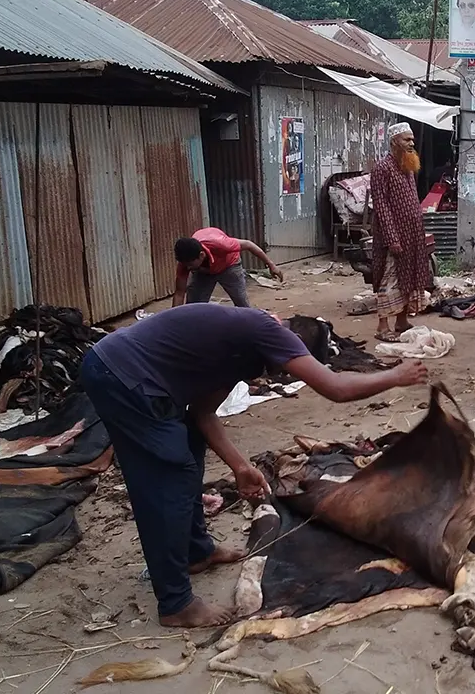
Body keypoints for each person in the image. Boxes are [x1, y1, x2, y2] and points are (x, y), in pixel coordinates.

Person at [79, 304, 428, 628]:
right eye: (285, 367)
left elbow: (202, 414)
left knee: (189, 444)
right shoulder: (266, 331)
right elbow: (335, 388)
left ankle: (196, 552)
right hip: (121, 377)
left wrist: (240, 467)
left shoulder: (244, 347)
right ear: (288, 346)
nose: (276, 374)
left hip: (135, 375)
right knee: (168, 476)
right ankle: (175, 603)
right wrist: (396, 376)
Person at [369, 123, 430, 343]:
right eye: (407, 140)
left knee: (409, 277)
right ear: (395, 142)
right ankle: (382, 326)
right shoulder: (382, 168)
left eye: (412, 139)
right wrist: (392, 238)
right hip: (393, 235)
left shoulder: (408, 166)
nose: (412, 143)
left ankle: (401, 321)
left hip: (412, 234)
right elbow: (382, 207)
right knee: (390, 278)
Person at [172, 229, 281, 308]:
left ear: (201, 255)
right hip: (204, 272)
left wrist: (271, 265)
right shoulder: (186, 262)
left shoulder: (221, 245)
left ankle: (249, 330)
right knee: (193, 308)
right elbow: (179, 293)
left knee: (242, 303)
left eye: (190, 264)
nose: (188, 268)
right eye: (185, 264)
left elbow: (249, 244)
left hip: (229, 266)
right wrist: (173, 320)